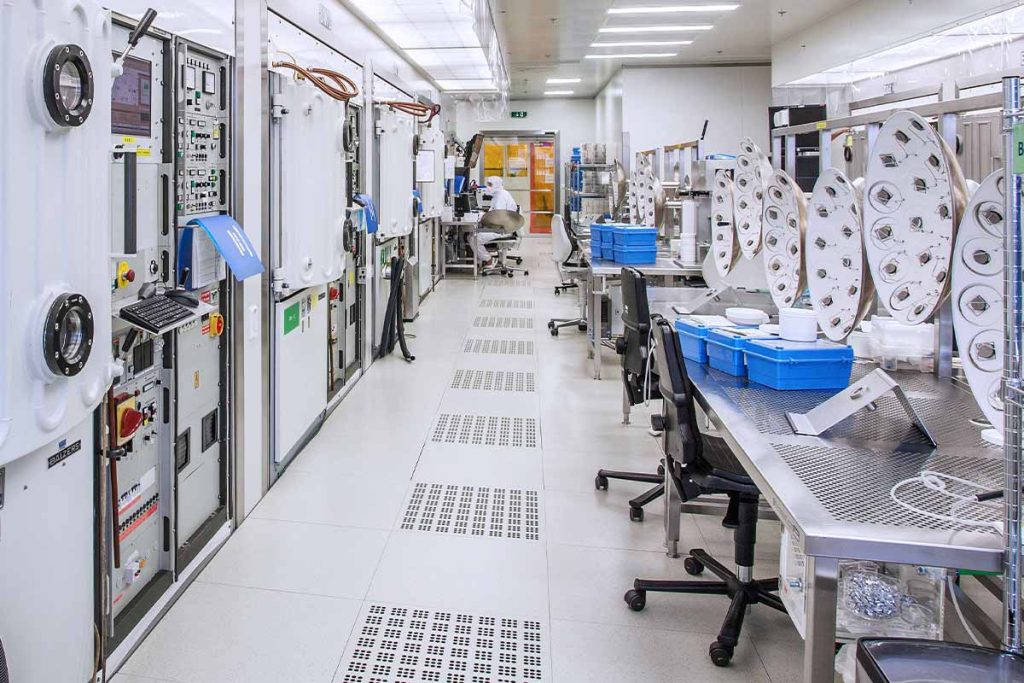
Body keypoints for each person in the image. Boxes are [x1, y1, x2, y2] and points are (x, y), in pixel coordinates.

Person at [469, 176, 518, 266]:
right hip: (501, 227)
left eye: (490, 185)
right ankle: (482, 259)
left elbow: (497, 217)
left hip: (502, 230)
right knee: (471, 235)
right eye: (488, 184)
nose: (488, 187)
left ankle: (489, 260)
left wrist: (482, 217)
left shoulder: (501, 197)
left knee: (473, 238)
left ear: (497, 185)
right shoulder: (499, 195)